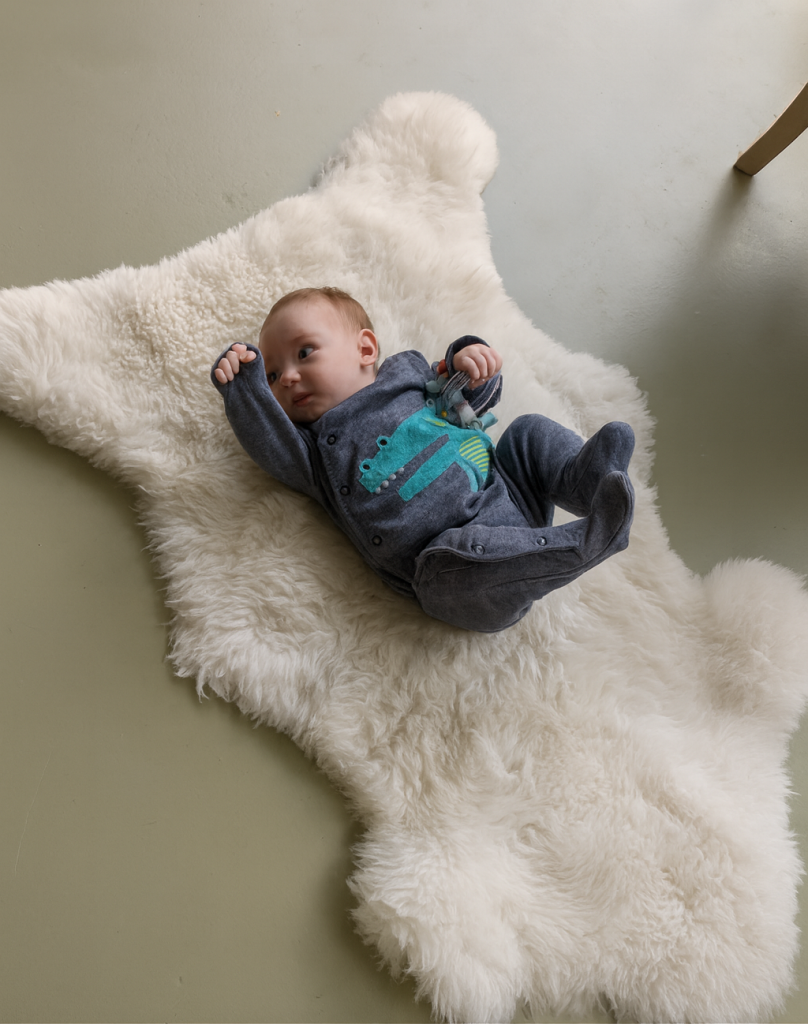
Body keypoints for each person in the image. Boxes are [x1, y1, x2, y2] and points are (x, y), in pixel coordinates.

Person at [211, 287, 635, 632]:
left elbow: (464, 401)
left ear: (365, 349)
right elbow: (271, 445)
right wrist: (244, 390)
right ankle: (581, 544)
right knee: (456, 550)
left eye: (304, 353)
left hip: (510, 497)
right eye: (272, 376)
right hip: (455, 576)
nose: (286, 377)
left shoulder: (408, 375)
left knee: (526, 432)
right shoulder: (315, 447)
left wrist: (470, 360)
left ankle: (587, 482)